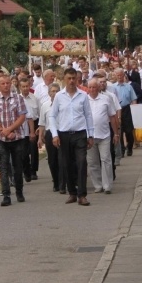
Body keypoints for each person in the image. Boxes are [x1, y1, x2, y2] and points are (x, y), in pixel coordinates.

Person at [50, 67, 94, 206]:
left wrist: (91, 134)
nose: (71, 81)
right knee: (67, 164)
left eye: (73, 78)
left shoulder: (83, 95)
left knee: (81, 162)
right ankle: (72, 193)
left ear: (77, 79)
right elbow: (52, 115)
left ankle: (82, 194)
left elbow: (88, 115)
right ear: (64, 79)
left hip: (80, 133)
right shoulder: (59, 96)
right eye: (68, 78)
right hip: (64, 134)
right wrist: (54, 134)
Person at [0, 74, 28, 207]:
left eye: (8, 83)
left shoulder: (18, 98)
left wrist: (10, 130)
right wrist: (2, 131)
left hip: (16, 137)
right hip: (1, 139)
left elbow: (22, 116)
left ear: (11, 84)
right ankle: (6, 195)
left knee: (17, 166)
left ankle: (19, 191)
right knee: (3, 167)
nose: (5, 86)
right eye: (3, 83)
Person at [86, 79, 119, 194]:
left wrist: (116, 133)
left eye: (94, 87)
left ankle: (107, 185)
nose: (92, 90)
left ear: (98, 88)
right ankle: (98, 185)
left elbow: (112, 116)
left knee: (106, 159)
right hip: (90, 136)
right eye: (89, 87)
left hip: (104, 135)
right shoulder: (85, 100)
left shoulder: (106, 99)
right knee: (92, 162)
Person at [38, 83, 62, 192]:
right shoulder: (45, 105)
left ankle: (63, 182)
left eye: (57, 91)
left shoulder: (63, 104)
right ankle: (55, 181)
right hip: (49, 133)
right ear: (49, 93)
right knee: (52, 160)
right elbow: (42, 123)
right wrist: (40, 137)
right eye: (53, 91)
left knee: (62, 159)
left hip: (62, 132)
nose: (55, 93)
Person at [112, 68, 138, 156]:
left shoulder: (128, 86)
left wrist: (134, 110)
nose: (119, 77)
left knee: (129, 130)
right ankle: (122, 150)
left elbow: (134, 99)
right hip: (116, 110)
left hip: (127, 109)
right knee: (120, 130)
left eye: (121, 75)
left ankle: (129, 147)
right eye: (118, 75)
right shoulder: (113, 87)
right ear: (115, 76)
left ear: (124, 76)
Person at [19, 78, 39, 181]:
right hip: (21, 127)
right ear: (20, 87)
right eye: (23, 86)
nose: (26, 88)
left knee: (33, 149)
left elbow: (37, 113)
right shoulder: (18, 99)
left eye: (27, 86)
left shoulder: (34, 98)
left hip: (33, 124)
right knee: (24, 152)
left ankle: (33, 171)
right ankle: (25, 170)